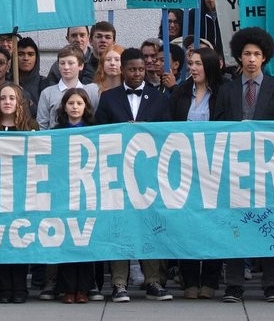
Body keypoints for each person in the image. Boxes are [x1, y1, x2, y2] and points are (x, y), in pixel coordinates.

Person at [212, 27, 274, 303]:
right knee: (236, 223)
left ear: (265, 57)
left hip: (268, 169)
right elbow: (216, 127)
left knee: (269, 222)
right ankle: (234, 283)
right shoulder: (227, 90)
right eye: (247, 54)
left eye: (257, 54)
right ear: (238, 57)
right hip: (235, 169)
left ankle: (271, 282)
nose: (251, 59)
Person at [95, 47, 173, 302]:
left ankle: (153, 281)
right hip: (117, 174)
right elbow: (98, 134)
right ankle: (119, 283)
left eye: (141, 69)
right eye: (132, 69)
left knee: (148, 225)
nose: (137, 73)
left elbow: (167, 136)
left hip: (148, 175)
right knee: (120, 226)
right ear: (123, 69)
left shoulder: (159, 98)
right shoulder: (109, 98)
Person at [168, 46, 225, 300]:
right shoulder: (180, 93)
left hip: (216, 168)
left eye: (198, 63)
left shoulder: (224, 92)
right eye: (191, 63)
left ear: (210, 66)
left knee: (214, 224)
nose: (192, 67)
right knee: (186, 223)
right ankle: (189, 279)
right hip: (185, 167)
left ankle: (210, 280)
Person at [0, 83, 39, 303]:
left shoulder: (29, 125)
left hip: (22, 192)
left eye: (12, 98)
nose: (7, 102)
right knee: (0, 240)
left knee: (20, 240)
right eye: (3, 98)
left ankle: (20, 287)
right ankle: (3, 288)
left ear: (19, 102)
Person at [52, 88, 96, 304]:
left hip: (88, 193)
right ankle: (68, 289)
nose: (75, 107)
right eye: (71, 103)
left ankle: (84, 289)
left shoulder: (95, 131)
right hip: (63, 191)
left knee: (85, 242)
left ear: (85, 107)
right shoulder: (56, 131)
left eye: (79, 103)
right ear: (65, 107)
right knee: (67, 241)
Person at [37, 48, 100, 131]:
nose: (66, 67)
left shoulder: (92, 91)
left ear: (80, 66)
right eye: (62, 63)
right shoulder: (47, 93)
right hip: (57, 140)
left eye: (71, 63)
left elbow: (97, 120)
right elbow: (42, 126)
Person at [15, 37, 52, 103]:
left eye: (30, 54)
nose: (26, 58)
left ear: (36, 58)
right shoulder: (7, 82)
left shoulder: (46, 84)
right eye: (20, 54)